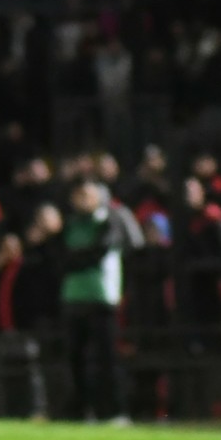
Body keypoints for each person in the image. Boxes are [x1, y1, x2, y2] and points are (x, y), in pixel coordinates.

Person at [59, 179, 129, 424]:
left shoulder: (109, 221)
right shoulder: (70, 225)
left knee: (107, 358)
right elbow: (59, 257)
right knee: (76, 358)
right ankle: (80, 410)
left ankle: (113, 411)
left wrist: (74, 261)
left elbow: (97, 253)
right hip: (73, 297)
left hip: (101, 298)